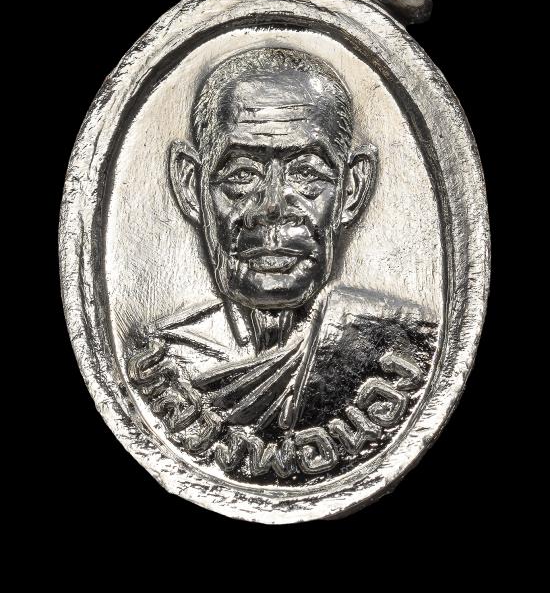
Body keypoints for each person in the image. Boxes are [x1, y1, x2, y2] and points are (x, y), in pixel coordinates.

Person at [129, 48, 435, 435]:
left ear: (352, 187)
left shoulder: (398, 342)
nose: (272, 207)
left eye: (306, 173)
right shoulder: (162, 354)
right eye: (242, 175)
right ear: (191, 185)